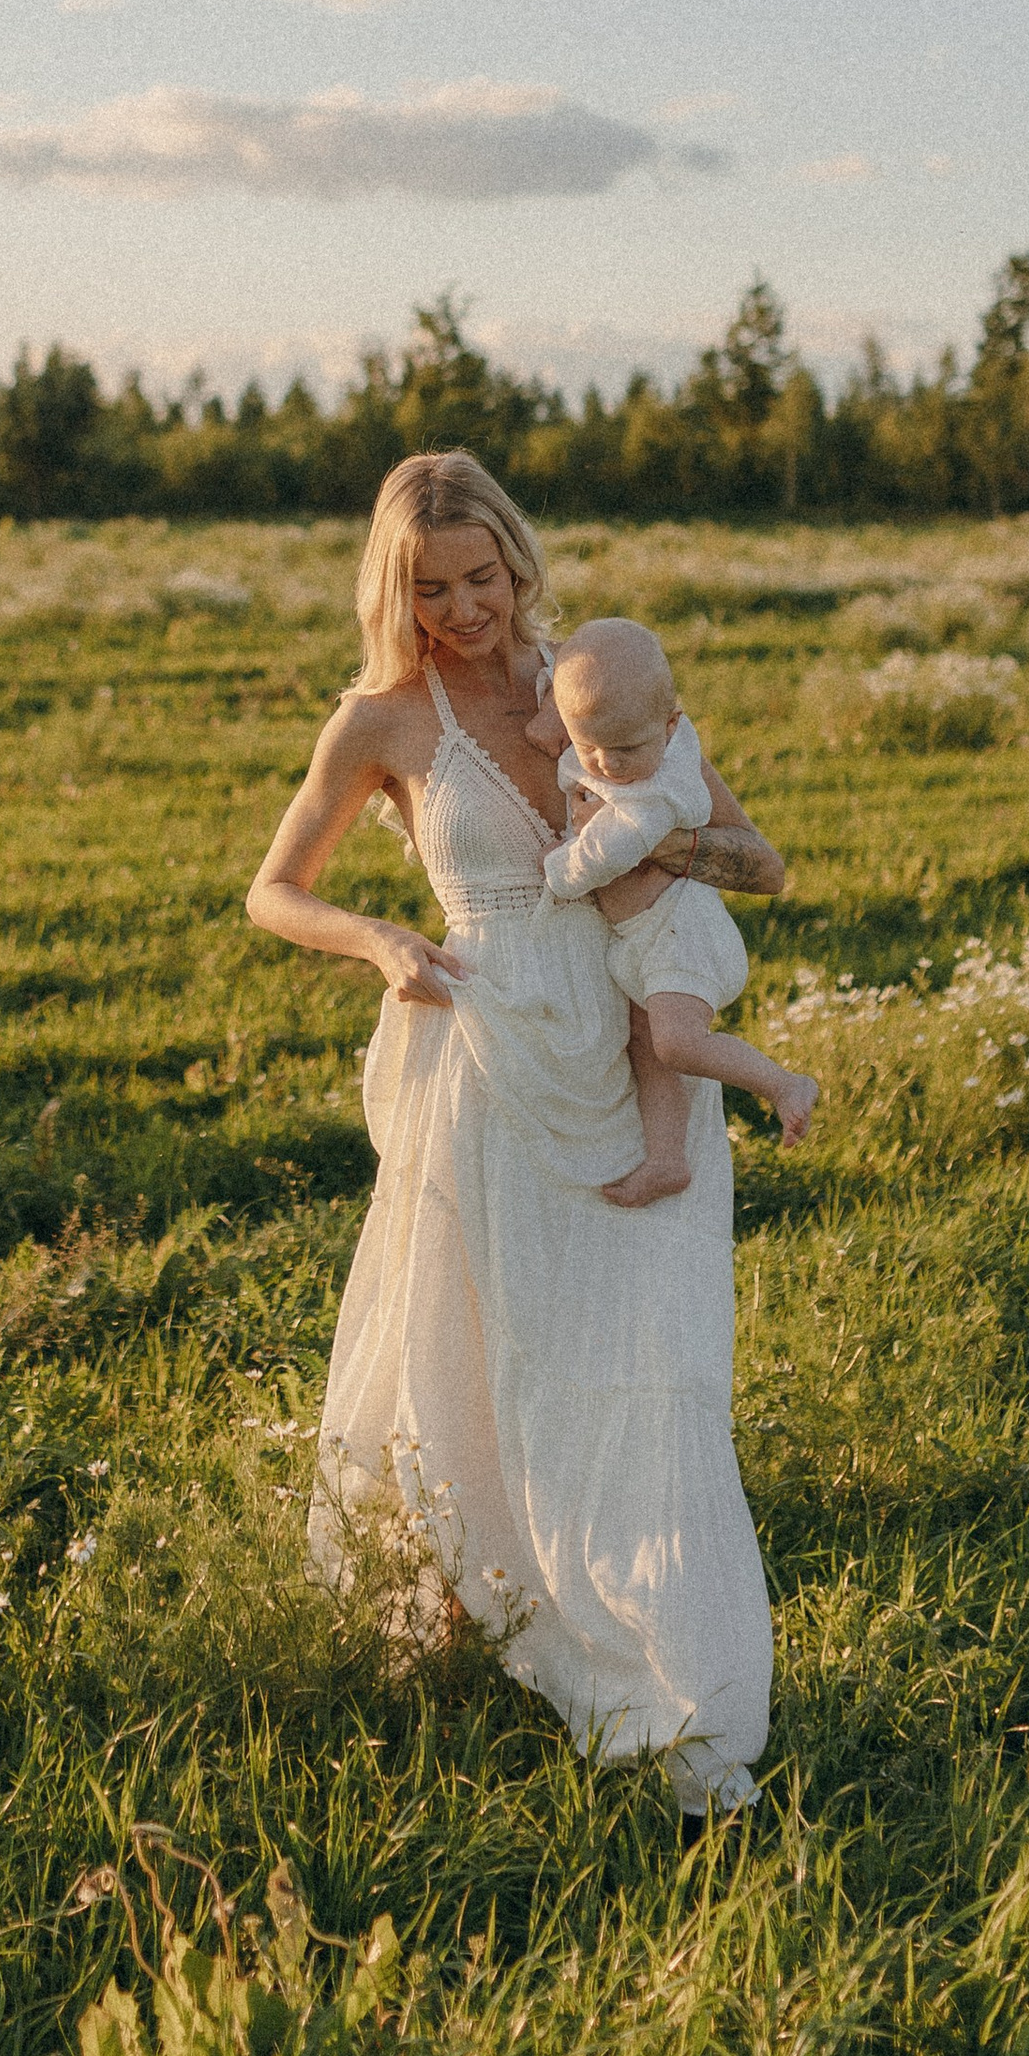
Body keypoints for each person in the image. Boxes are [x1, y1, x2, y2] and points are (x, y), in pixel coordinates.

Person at [244, 451, 792, 1828]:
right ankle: (502, 1622)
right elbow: (274, 890)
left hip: (628, 1050)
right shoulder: (381, 719)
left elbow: (760, 861)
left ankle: (678, 1680)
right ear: (395, 591)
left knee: (652, 1367)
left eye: (480, 577)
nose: (463, 609)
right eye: (430, 589)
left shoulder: (599, 684)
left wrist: (653, 839)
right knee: (500, 1363)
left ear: (516, 560)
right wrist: (378, 938)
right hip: (489, 1059)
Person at [533, 618, 819, 1211]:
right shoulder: (632, 736)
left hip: (678, 932)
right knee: (647, 1045)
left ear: (670, 727)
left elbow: (596, 860)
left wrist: (557, 870)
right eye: (591, 747)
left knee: (676, 1044)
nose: (607, 765)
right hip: (640, 940)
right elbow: (571, 720)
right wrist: (550, 715)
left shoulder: (657, 796)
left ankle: (782, 1084)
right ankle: (666, 1157)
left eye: (625, 749)